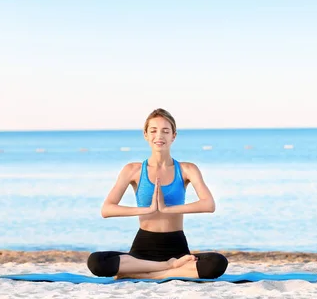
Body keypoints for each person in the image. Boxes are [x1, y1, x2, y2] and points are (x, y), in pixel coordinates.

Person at [87, 109, 228, 279]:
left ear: (173, 136)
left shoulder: (187, 169)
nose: (159, 136)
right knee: (96, 261)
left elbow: (209, 204)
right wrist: (147, 210)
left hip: (177, 248)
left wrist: (167, 209)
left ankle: (145, 274)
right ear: (145, 135)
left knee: (217, 263)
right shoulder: (133, 170)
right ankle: (166, 268)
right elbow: (107, 209)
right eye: (153, 130)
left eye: (165, 131)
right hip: (142, 248)